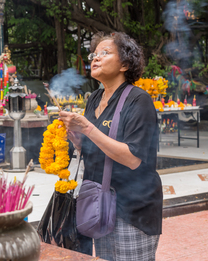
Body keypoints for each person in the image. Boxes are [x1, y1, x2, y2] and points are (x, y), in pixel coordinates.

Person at [59, 32, 163, 261]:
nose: (95, 59)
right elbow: (96, 147)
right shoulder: (94, 99)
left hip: (132, 208)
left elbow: (132, 158)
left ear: (125, 63)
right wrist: (78, 143)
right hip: (98, 205)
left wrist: (87, 129)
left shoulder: (138, 100)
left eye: (104, 53)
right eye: (94, 54)